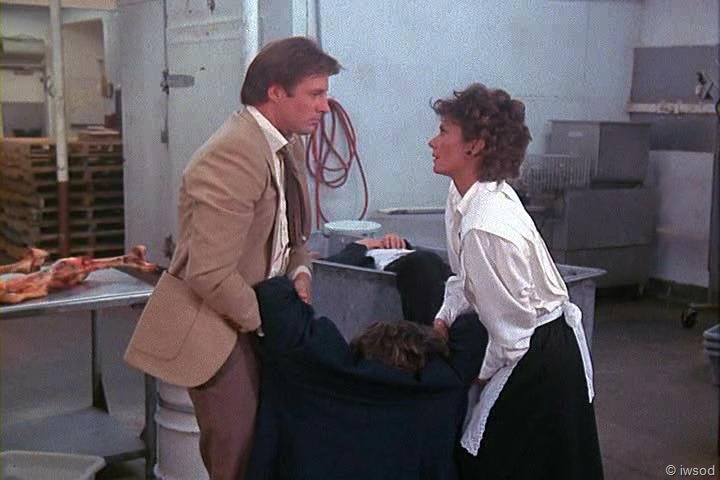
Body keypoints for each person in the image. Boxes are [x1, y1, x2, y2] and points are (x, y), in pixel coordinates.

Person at [124, 37, 341, 479]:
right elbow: (209, 272)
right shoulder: (233, 154)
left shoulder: (287, 144)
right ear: (276, 92)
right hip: (219, 325)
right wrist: (269, 322)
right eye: (315, 94)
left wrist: (300, 270)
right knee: (238, 457)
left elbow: (291, 233)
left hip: (257, 313)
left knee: (272, 449)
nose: (325, 106)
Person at [428, 83, 603, 479]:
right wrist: (445, 315)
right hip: (529, 342)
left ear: (475, 146)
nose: (432, 142)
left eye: (443, 131)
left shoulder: (485, 225)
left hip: (541, 355)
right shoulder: (463, 196)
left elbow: (513, 338)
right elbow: (466, 279)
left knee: (499, 460)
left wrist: (472, 376)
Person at [246, 275, 488, 480]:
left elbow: (273, 294)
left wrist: (302, 274)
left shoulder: (316, 372)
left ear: (361, 349)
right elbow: (482, 318)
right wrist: (441, 327)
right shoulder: (441, 388)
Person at [324, 233, 452, 326]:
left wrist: (396, 242)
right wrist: (359, 245)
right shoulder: (350, 252)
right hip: (406, 265)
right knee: (422, 262)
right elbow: (330, 268)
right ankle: (429, 338)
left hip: (423, 262)